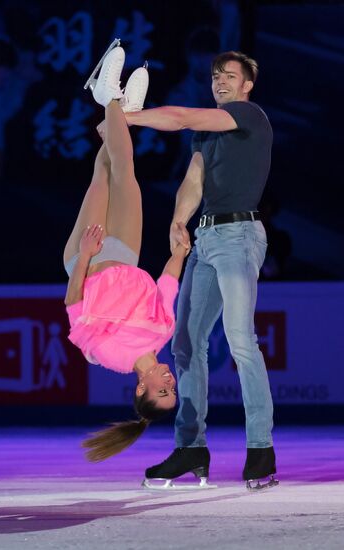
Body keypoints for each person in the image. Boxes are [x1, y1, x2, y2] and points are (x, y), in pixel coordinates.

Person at [124, 51, 278, 490]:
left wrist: (128, 117)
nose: (221, 82)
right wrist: (178, 220)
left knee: (240, 340)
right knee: (186, 344)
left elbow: (177, 117)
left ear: (247, 85)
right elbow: (193, 181)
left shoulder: (248, 115)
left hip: (239, 237)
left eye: (230, 76)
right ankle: (191, 447)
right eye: (216, 76)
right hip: (206, 239)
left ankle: (261, 450)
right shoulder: (205, 136)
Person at [64, 45, 190, 462]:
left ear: (141, 389)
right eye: (174, 389)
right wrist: (180, 251)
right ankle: (114, 108)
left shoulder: (111, 357)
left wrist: (84, 254)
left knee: (106, 171)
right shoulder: (164, 333)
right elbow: (168, 283)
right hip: (128, 252)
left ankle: (113, 103)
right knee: (124, 166)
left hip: (89, 256)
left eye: (162, 390)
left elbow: (73, 307)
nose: (169, 381)